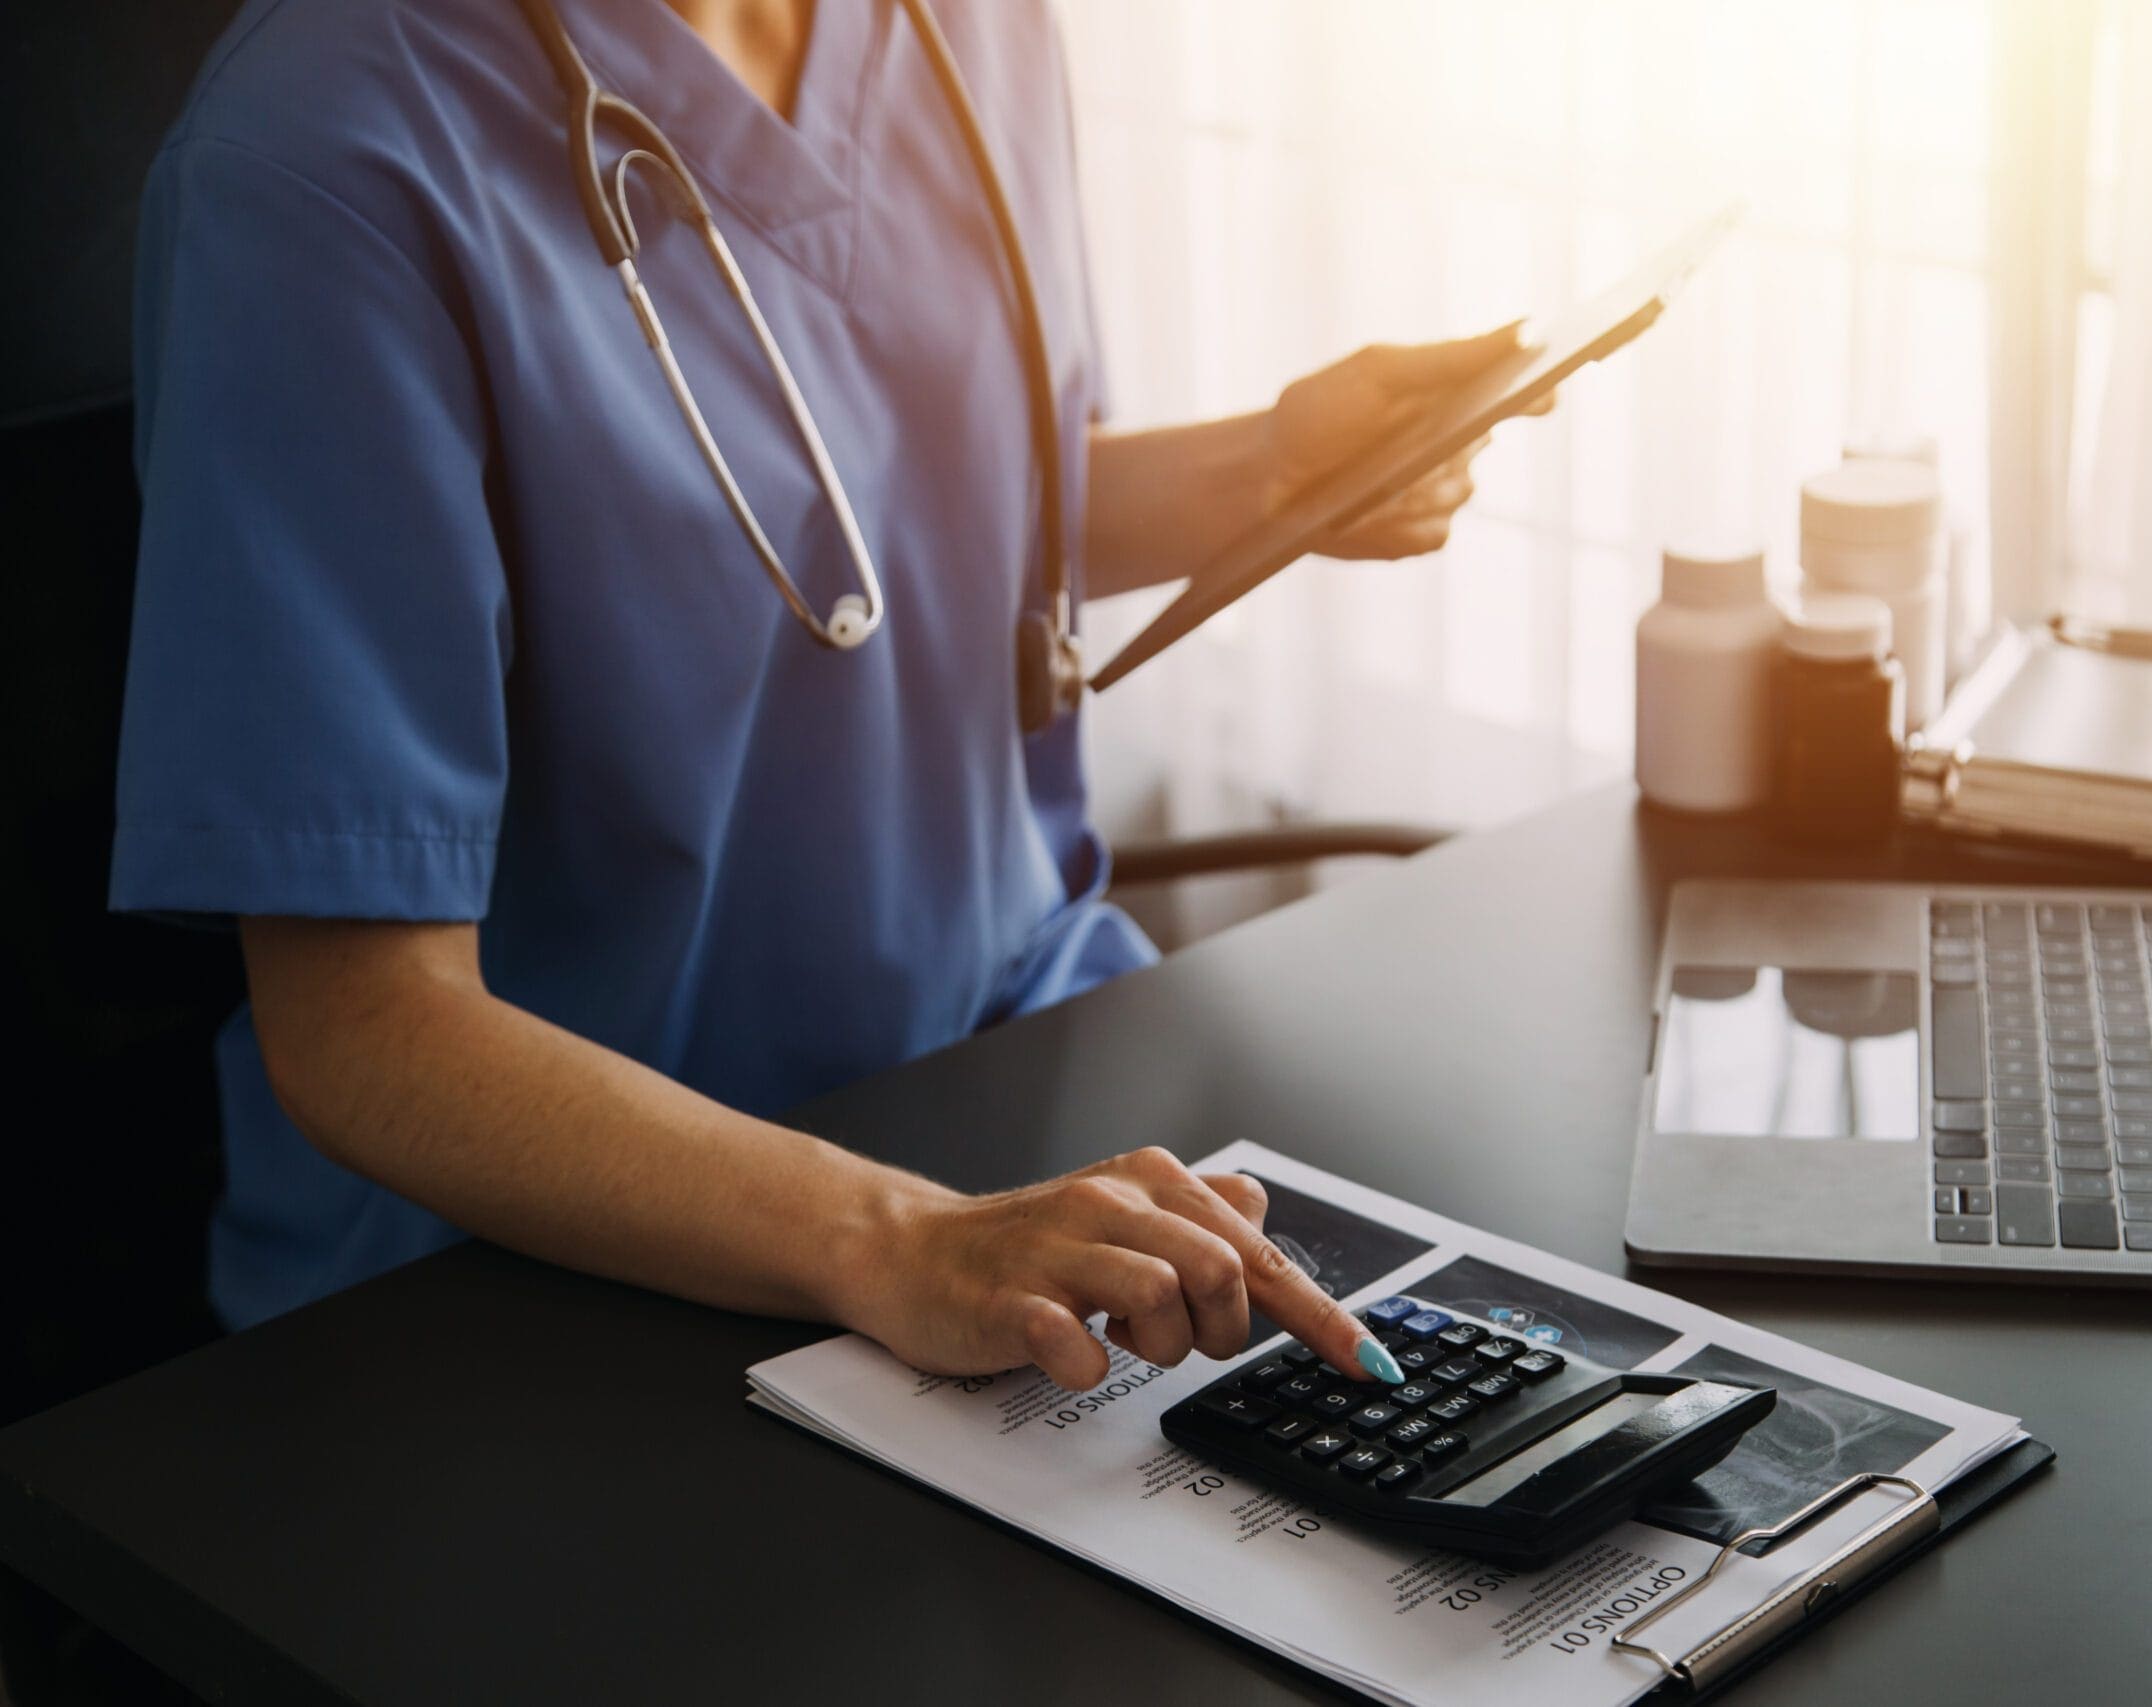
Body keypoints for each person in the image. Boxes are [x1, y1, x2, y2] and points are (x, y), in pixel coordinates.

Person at [112, 0, 1534, 1391]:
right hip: (534, 1273)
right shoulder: (318, 156)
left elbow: (891, 513)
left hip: (1007, 1088)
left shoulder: (972, 31)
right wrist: (902, 1240)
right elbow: (363, 1032)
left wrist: (1266, 474)